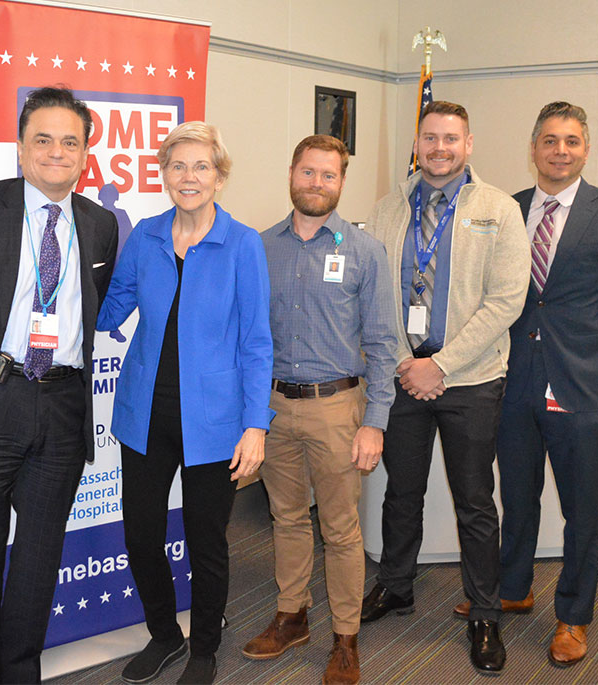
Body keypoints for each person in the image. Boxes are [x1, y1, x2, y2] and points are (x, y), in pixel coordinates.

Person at [452, 101, 598, 668]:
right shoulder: (507, 210)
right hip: (513, 378)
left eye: (570, 140)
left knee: (582, 508)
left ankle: (574, 615)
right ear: (533, 147)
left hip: (580, 383)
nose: (559, 150)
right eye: (548, 140)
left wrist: (596, 348)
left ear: (585, 148)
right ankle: (513, 588)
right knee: (516, 495)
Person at [0, 86, 118, 684]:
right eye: (43, 139)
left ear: (86, 153)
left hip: (64, 405)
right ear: (19, 147)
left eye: (71, 141)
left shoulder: (97, 224)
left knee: (40, 560)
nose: (56, 152)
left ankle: (20, 674)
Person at [97, 121, 273, 685]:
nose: (188, 177)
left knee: (206, 543)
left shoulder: (242, 243)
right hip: (143, 414)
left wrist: (255, 426)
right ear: (163, 174)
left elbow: (256, 342)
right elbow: (112, 307)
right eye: (177, 166)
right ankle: (165, 637)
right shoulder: (146, 235)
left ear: (219, 177)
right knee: (141, 536)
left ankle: (203, 650)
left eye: (201, 167)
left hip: (216, 421)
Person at [361, 101, 531, 674]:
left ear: (469, 143)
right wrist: (410, 362)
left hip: (473, 380)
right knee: (400, 491)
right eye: (430, 137)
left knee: (475, 502)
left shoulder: (499, 210)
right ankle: (397, 585)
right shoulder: (388, 209)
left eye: (450, 138)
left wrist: (444, 364)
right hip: (404, 375)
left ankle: (485, 611)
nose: (439, 148)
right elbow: (378, 296)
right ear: (419, 141)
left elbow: (507, 299)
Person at [242, 135, 396, 685]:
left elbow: (383, 343)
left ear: (341, 183)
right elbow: (246, 338)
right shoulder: (259, 248)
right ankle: (293, 616)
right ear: (291, 174)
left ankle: (346, 638)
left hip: (338, 408)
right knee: (286, 518)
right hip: (274, 408)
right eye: (308, 172)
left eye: (327, 175)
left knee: (341, 529)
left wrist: (375, 421)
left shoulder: (364, 251)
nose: (316, 183)